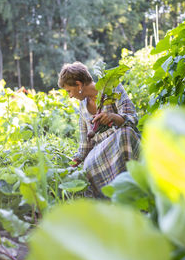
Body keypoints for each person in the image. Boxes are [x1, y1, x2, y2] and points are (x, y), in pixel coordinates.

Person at [58, 61, 141, 198]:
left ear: (78, 85)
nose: (70, 96)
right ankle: (111, 200)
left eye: (69, 91)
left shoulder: (113, 89)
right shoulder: (83, 106)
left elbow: (132, 118)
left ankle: (130, 192)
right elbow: (85, 142)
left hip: (122, 142)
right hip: (100, 152)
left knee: (125, 134)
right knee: (89, 164)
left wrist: (112, 117)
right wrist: (74, 162)